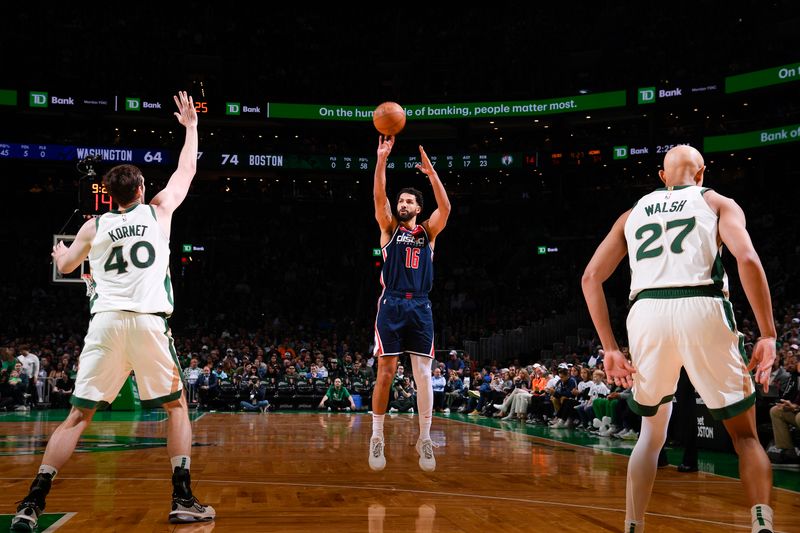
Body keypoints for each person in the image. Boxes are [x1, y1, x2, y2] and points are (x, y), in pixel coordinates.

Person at [11, 92, 215, 531]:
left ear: (110, 195)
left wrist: (60, 251)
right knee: (176, 408)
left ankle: (32, 502)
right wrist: (192, 127)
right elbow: (187, 170)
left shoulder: (94, 225)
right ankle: (182, 499)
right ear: (141, 190)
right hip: (147, 321)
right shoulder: (159, 212)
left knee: (77, 417)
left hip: (103, 324)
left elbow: (65, 267)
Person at [582, 145, 777, 533]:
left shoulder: (631, 213)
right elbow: (749, 260)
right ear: (702, 173)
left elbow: (590, 278)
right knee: (745, 436)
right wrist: (768, 334)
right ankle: (762, 522)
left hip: (647, 313)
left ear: (661, 176)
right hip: (701, 305)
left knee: (651, 435)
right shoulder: (717, 201)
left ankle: (633, 524)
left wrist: (609, 347)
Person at [369, 135, 451, 473]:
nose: (403, 204)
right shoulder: (389, 229)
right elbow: (378, 196)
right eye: (400, 200)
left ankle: (425, 438)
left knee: (423, 375)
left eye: (408, 202)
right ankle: (377, 437)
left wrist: (432, 175)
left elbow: (445, 209)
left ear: (418, 209)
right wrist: (381, 160)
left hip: (420, 306)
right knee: (385, 373)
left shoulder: (428, 233)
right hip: (391, 305)